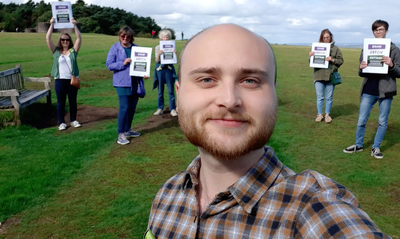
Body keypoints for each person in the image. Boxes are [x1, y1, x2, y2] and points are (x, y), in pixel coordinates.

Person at [146, 24, 389, 238]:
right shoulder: (167, 195)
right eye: (207, 79)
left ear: (274, 96)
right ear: (178, 95)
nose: (229, 100)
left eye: (250, 80)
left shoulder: (314, 208)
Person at [344, 20, 400, 159]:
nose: (378, 32)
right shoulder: (367, 48)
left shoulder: (394, 49)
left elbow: (399, 72)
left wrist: (391, 65)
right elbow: (361, 72)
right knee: (361, 119)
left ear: (386, 31)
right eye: (375, 30)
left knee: (382, 121)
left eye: (380, 29)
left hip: (386, 91)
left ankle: (376, 147)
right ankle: (358, 144)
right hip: (369, 90)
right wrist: (361, 68)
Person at [106, 26, 146, 145]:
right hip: (121, 82)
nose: (125, 38)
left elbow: (142, 64)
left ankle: (128, 129)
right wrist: (122, 63)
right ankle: (120, 134)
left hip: (135, 83)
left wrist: (144, 73)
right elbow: (109, 65)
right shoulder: (115, 48)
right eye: (123, 36)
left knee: (132, 108)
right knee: (124, 107)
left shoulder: (136, 48)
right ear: (119, 36)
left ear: (131, 37)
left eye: (128, 36)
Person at [46, 17, 82, 131]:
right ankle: (61, 122)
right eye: (62, 40)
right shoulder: (56, 51)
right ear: (60, 41)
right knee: (61, 102)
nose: (65, 41)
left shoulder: (73, 51)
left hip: (72, 79)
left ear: (69, 41)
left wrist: (74, 25)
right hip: (60, 80)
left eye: (67, 39)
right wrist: (51, 24)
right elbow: (47, 38)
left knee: (72, 101)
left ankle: (73, 120)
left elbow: (79, 38)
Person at [309, 29, 344, 123]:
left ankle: (327, 115)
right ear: (321, 38)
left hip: (330, 76)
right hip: (318, 76)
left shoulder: (336, 49)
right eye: (324, 37)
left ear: (330, 37)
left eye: (327, 37)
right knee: (319, 97)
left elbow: (341, 61)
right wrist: (311, 56)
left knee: (329, 97)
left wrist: (332, 59)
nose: (326, 39)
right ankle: (319, 115)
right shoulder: (316, 47)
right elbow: (311, 62)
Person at [152, 29, 178, 117]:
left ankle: (173, 109)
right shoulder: (157, 47)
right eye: (164, 37)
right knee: (160, 91)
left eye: (167, 37)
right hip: (160, 70)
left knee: (171, 90)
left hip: (168, 70)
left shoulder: (171, 46)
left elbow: (173, 60)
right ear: (161, 38)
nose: (166, 39)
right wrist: (159, 54)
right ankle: (160, 108)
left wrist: (175, 53)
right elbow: (157, 60)